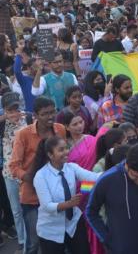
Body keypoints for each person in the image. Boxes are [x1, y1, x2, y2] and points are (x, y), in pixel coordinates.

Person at [9, 97, 66, 254]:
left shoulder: (60, 129)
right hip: (32, 197)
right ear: (35, 115)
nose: (50, 116)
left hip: (56, 194)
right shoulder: (23, 134)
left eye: (52, 112)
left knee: (56, 238)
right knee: (34, 242)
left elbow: (65, 156)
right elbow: (13, 166)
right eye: (45, 113)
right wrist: (33, 179)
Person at [86, 144, 138, 254]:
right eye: (135, 176)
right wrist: (106, 238)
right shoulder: (107, 180)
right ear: (126, 165)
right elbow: (91, 212)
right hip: (120, 248)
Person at [32, 136, 99, 254]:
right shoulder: (41, 176)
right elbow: (47, 206)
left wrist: (115, 171)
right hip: (51, 230)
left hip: (73, 223)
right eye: (61, 150)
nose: (66, 152)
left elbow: (93, 177)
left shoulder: (72, 167)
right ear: (50, 155)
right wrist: (68, 204)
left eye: (67, 148)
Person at [1, 92, 28, 251]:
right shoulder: (2, 125)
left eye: (16, 108)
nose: (15, 113)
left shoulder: (29, 120)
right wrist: (5, 117)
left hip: (27, 174)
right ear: (4, 110)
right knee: (16, 210)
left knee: (30, 208)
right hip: (9, 174)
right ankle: (22, 240)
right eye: (10, 110)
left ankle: (34, 237)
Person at [14, 42, 36, 112]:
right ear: (29, 68)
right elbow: (17, 71)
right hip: (30, 114)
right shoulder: (25, 80)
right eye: (34, 66)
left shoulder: (44, 79)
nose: (37, 68)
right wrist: (18, 55)